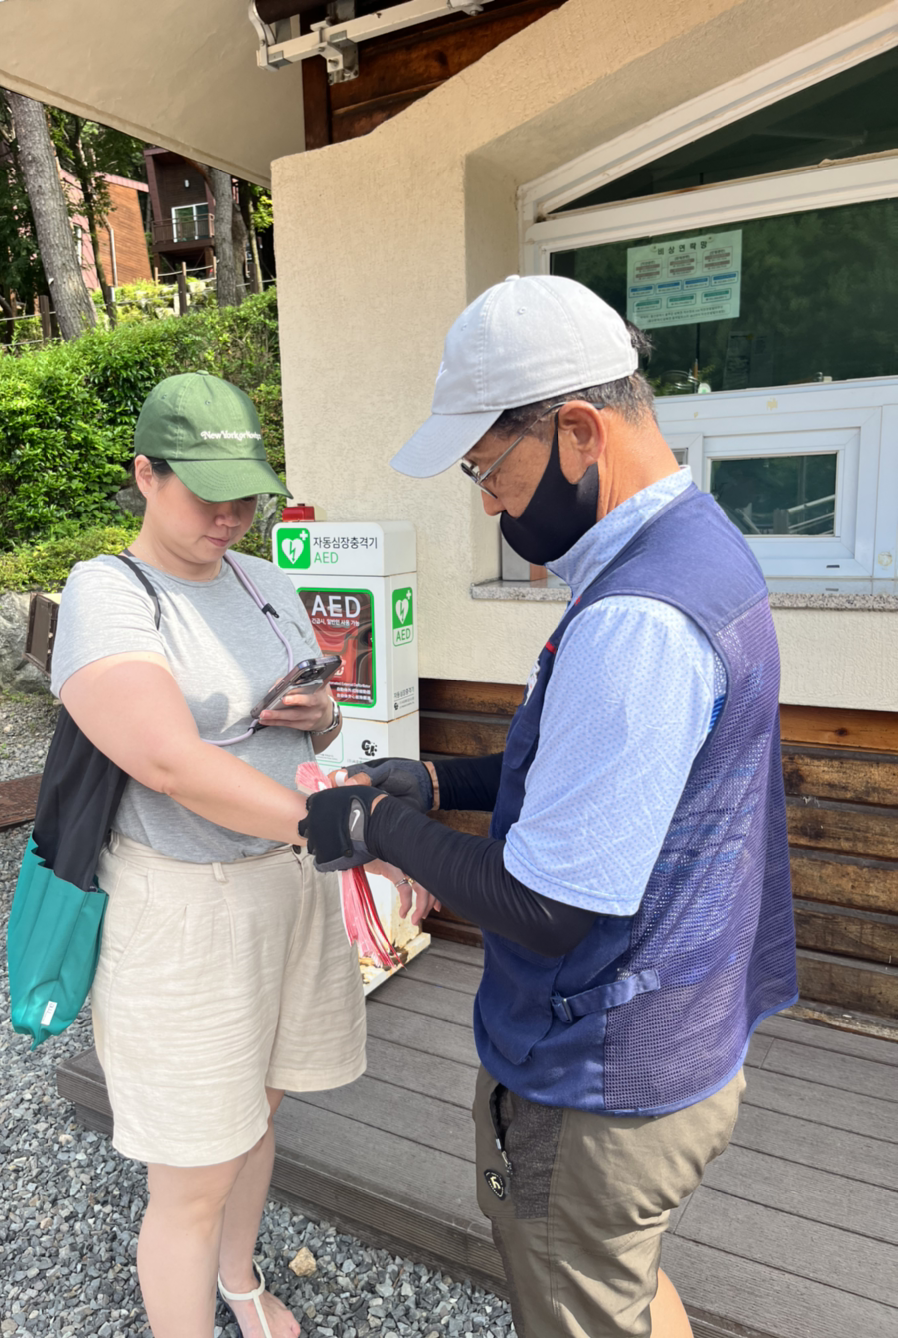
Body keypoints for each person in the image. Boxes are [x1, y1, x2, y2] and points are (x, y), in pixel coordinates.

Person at [299, 276, 798, 1338]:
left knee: (584, 1293)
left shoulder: (636, 620)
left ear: (577, 431)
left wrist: (378, 828)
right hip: (685, 1033)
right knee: (625, 1278)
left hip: (598, 1081)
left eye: (488, 468)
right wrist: (439, 783)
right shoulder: (699, 547)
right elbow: (606, 777)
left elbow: (549, 905)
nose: (486, 502)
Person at [50, 372, 366, 1338]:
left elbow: (317, 726)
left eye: (247, 496)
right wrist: (343, 827)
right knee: (192, 1166)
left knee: (257, 1116)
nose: (230, 517)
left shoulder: (265, 580)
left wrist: (321, 712)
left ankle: (239, 1281)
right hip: (184, 904)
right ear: (146, 475)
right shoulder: (111, 591)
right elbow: (166, 760)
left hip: (288, 884)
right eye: (207, 494)